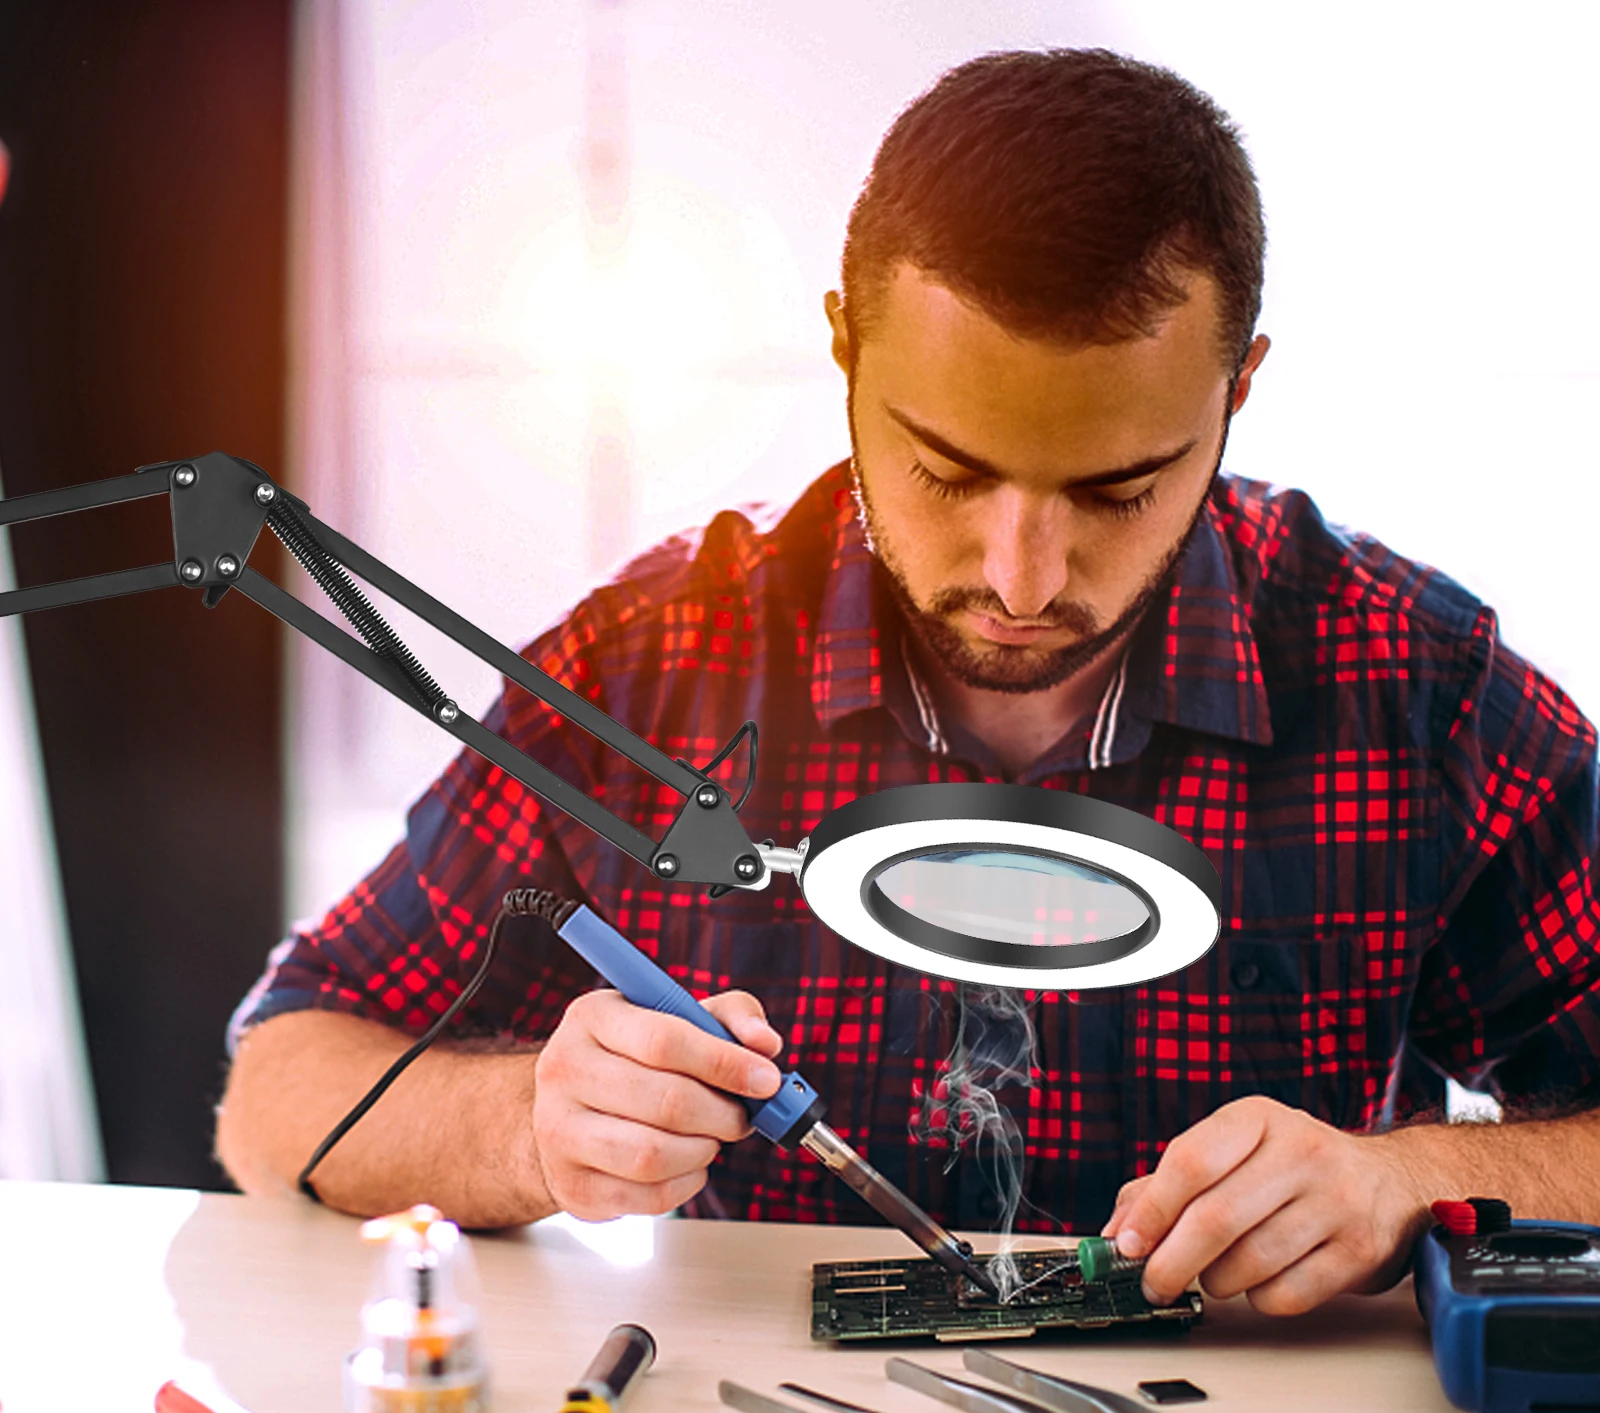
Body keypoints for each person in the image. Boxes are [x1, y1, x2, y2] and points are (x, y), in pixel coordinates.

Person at [218, 48, 1600, 1314]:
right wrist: (530, 1126)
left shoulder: (1415, 692)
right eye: (948, 472)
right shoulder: (652, 671)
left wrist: (1403, 1182)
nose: (1020, 576)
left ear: (1238, 390)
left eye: (1118, 489)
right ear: (844, 348)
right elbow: (277, 1094)